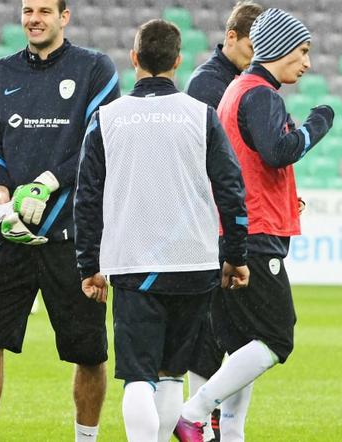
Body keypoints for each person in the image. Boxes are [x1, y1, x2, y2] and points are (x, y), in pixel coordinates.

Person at [74, 19, 250, 442]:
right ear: (177, 61)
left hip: (133, 263)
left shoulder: (107, 118)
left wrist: (88, 264)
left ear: (134, 58)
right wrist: (236, 256)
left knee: (138, 376)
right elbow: (231, 189)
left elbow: (87, 197)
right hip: (193, 262)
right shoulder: (200, 115)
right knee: (172, 374)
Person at [176, 9, 335, 442]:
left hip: (232, 229)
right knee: (277, 338)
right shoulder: (259, 93)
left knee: (242, 344)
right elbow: (278, 151)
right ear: (280, 48)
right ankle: (192, 412)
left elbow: (249, 163)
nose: (307, 62)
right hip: (255, 233)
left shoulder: (236, 90)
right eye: (302, 51)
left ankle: (230, 433)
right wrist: (318, 123)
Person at [0, 1, 119, 441]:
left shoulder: (95, 69)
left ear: (64, 17)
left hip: (73, 238)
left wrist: (49, 182)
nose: (34, 18)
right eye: (28, 10)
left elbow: (100, 143)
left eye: (45, 10)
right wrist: (1, 193)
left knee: (89, 354)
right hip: (11, 236)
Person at [184, 3, 262, 440]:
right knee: (212, 334)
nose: (256, 56)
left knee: (238, 334)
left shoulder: (241, 81)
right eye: (251, 46)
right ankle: (202, 422)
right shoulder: (208, 85)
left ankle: (225, 428)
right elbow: (209, 160)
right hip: (210, 223)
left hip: (227, 219)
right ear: (231, 37)